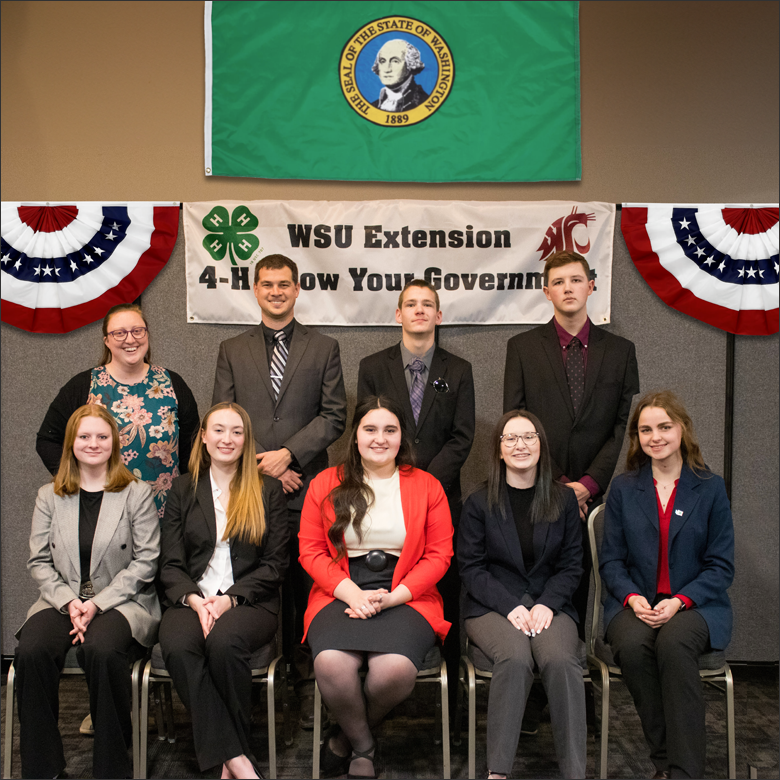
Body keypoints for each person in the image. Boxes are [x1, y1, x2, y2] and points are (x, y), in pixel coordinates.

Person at [503, 249, 639, 730]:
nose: (567, 288)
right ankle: (533, 694)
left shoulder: (620, 351)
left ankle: (575, 692)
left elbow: (621, 425)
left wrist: (586, 485)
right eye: (558, 281)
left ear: (590, 286)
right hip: (539, 489)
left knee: (578, 588)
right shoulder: (522, 347)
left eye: (576, 280)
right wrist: (559, 485)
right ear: (546, 291)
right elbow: (516, 421)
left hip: (591, 495)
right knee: (532, 582)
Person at [212, 253, 347, 726]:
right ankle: (259, 679)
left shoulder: (323, 347)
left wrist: (289, 454)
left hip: (307, 490)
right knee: (257, 579)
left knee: (309, 586)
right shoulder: (232, 348)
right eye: (267, 284)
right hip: (249, 491)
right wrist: (265, 467)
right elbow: (222, 417)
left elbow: (334, 416)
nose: (275, 291)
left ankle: (309, 680)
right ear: (255, 289)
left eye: (284, 284)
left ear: (296, 289)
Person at [299, 395, 453, 779]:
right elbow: (310, 550)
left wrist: (394, 597)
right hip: (339, 590)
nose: (379, 439)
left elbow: (439, 556)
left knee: (394, 672)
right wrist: (351, 592)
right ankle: (364, 747)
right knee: (331, 664)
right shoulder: (325, 482)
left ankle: (345, 737)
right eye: (370, 429)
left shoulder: (428, 486)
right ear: (355, 435)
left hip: (406, 593)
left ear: (402, 437)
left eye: (390, 430)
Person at [15, 404, 160, 779]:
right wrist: (70, 601)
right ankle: (44, 768)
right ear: (71, 443)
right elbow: (38, 561)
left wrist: (96, 603)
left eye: (101, 436)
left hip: (122, 601)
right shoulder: (49, 495)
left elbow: (146, 561)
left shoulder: (136, 493)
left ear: (114, 442)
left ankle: (111, 767)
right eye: (84, 436)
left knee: (101, 650)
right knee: (31, 651)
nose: (93, 443)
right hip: (60, 599)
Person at [600, 391, 735, 780]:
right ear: (637, 437)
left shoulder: (710, 487)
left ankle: (684, 772)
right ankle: (665, 760)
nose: (655, 436)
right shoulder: (624, 488)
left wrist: (680, 601)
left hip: (696, 604)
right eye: (646, 430)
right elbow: (611, 560)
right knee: (632, 645)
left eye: (664, 427)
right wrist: (631, 597)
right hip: (634, 602)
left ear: (682, 429)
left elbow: (721, 566)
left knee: (673, 643)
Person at [357, 277, 474, 712]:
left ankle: (450, 699)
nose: (419, 310)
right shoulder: (373, 366)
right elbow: (367, 430)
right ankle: (377, 678)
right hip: (381, 497)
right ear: (398, 314)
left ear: (438, 316)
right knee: (385, 584)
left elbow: (462, 437)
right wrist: (400, 479)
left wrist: (421, 483)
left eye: (427, 304)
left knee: (442, 589)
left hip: (441, 499)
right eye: (411, 304)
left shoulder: (458, 370)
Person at [158, 402, 290, 780]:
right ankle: (235, 757)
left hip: (250, 602)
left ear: (247, 440)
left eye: (236, 431)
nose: (226, 439)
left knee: (224, 642)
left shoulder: (268, 489)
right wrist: (195, 600)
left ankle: (226, 757)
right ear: (203, 436)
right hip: (192, 598)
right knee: (178, 645)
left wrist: (230, 599)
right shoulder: (183, 488)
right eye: (218, 430)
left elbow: (276, 563)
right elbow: (170, 563)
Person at [458, 410, 585, 779]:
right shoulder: (479, 502)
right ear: (498, 450)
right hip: (491, 606)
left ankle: (575, 772)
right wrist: (510, 605)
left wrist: (547, 603)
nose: (520, 445)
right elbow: (472, 569)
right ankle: (498, 771)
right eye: (510, 438)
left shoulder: (563, 500)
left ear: (541, 444)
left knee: (560, 660)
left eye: (529, 436)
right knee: (514, 658)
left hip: (550, 603)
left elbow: (572, 566)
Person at [37, 302, 200, 520]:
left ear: (147, 334)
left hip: (165, 513)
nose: (130, 339)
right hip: (101, 513)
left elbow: (193, 450)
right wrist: (76, 482)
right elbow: (47, 440)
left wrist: (189, 503)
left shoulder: (172, 384)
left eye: (137, 331)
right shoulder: (84, 386)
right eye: (119, 333)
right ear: (106, 341)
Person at [371, 39, 429, 111]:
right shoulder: (373, 106)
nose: (387, 69)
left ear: (410, 64)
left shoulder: (423, 103)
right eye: (382, 61)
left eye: (395, 61)